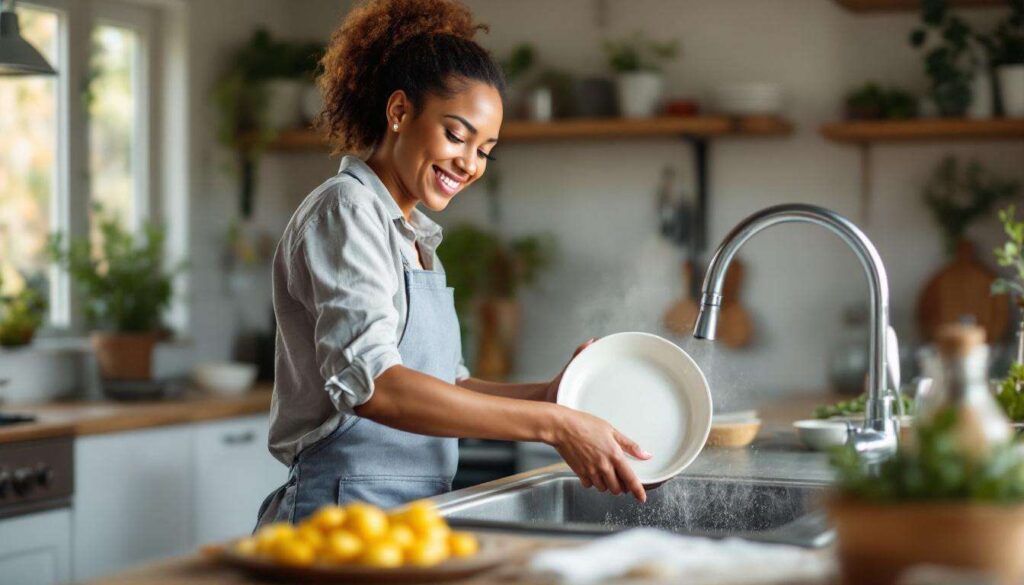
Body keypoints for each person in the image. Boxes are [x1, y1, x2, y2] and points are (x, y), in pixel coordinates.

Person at [256, 0, 649, 527]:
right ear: (399, 112)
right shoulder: (346, 211)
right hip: (342, 515)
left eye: (486, 150)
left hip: (409, 517)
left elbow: (447, 385)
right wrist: (552, 424)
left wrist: (550, 394)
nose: (469, 163)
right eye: (457, 135)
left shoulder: (415, 236)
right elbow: (378, 386)